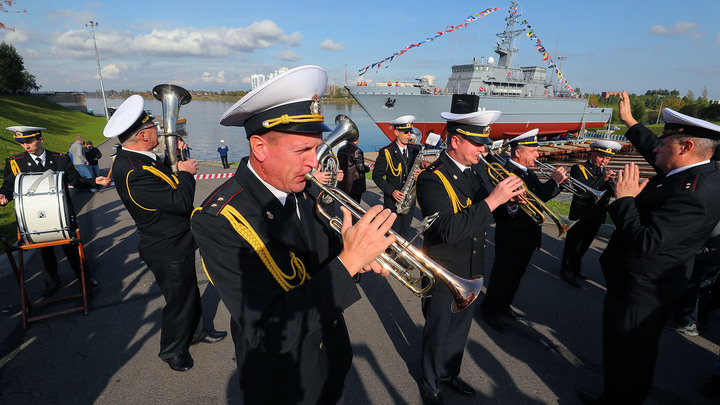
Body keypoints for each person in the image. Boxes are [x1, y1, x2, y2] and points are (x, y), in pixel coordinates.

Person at [191, 65, 396, 405]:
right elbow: (269, 330)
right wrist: (349, 262)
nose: (314, 164)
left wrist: (355, 254)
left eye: (315, 150)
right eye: (302, 151)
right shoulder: (219, 219)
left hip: (332, 360)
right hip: (285, 384)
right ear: (259, 147)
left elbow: (323, 270)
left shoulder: (304, 191)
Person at [576, 91, 720, 405]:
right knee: (625, 354)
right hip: (643, 284)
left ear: (686, 146)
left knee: (629, 356)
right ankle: (613, 396)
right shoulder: (692, 172)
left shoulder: (695, 193)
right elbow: (655, 149)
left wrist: (625, 199)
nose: (656, 146)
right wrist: (630, 123)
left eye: (664, 142)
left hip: (642, 290)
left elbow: (647, 242)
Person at [104, 95, 226, 373]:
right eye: (153, 128)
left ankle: (195, 333)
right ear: (143, 134)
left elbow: (163, 177)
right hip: (165, 246)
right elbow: (180, 201)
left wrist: (177, 157)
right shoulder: (134, 172)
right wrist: (186, 174)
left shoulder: (138, 159)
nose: (158, 131)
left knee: (188, 290)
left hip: (176, 241)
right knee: (178, 300)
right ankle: (172, 349)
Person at [416, 107, 524, 405]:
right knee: (438, 331)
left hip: (472, 264)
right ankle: (430, 385)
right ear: (454, 141)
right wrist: (493, 199)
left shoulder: (478, 169)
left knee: (460, 330)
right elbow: (447, 230)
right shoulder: (431, 179)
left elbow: (495, 214)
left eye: (484, 142)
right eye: (477, 143)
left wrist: (510, 204)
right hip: (443, 267)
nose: (483, 148)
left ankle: (449, 375)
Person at [0, 126, 110, 297]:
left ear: (41, 140)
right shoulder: (15, 162)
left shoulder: (60, 159)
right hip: (34, 216)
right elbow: (9, 185)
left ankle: (84, 277)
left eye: (29, 141)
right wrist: (4, 196)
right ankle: (52, 283)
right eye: (21, 143)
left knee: (72, 248)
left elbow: (76, 180)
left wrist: (94, 181)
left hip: (62, 213)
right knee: (44, 252)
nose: (26, 146)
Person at [480, 128, 568, 333]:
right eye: (533, 151)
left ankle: (504, 305)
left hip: (527, 235)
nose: (537, 155)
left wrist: (557, 184)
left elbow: (539, 198)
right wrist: (554, 181)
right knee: (502, 276)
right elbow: (531, 199)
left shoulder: (527, 172)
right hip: (511, 235)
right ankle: (490, 310)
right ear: (518, 153)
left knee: (516, 276)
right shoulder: (509, 173)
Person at [559, 140, 620, 288]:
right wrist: (603, 179)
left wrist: (615, 184)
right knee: (573, 244)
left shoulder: (603, 172)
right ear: (592, 153)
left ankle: (576, 269)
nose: (604, 161)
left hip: (596, 215)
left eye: (607, 158)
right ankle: (566, 271)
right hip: (581, 213)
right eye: (601, 157)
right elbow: (581, 189)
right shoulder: (579, 168)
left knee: (585, 245)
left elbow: (608, 193)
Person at [372, 115, 421, 239]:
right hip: (393, 201)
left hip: (409, 200)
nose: (409, 135)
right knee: (393, 232)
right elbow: (376, 176)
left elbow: (419, 169)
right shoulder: (386, 152)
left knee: (405, 232)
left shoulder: (416, 150)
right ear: (396, 132)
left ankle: (402, 256)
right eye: (406, 132)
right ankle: (390, 255)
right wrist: (392, 191)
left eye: (410, 132)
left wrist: (421, 173)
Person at [338, 130, 369, 203]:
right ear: (357, 139)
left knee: (347, 204)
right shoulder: (356, 150)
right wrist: (368, 168)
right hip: (355, 185)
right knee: (355, 205)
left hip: (344, 183)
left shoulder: (341, 149)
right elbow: (360, 168)